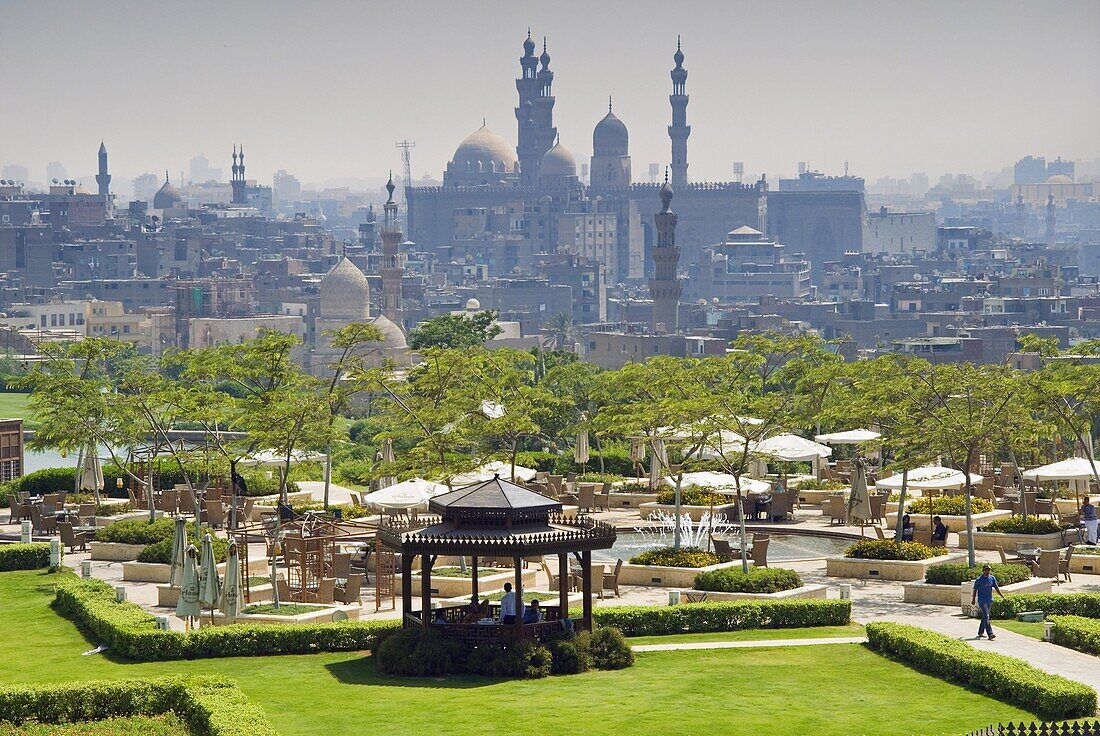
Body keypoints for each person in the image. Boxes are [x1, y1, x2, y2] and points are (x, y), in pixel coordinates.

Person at [970, 564, 1007, 640]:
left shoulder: (992, 578)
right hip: (982, 600)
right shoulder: (979, 580)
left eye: (989, 570)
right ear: (983, 571)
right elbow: (975, 590)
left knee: (985, 616)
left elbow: (996, 588)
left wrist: (1002, 596)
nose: (987, 571)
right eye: (986, 570)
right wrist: (973, 599)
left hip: (989, 600)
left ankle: (980, 632)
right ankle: (990, 634)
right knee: (987, 616)